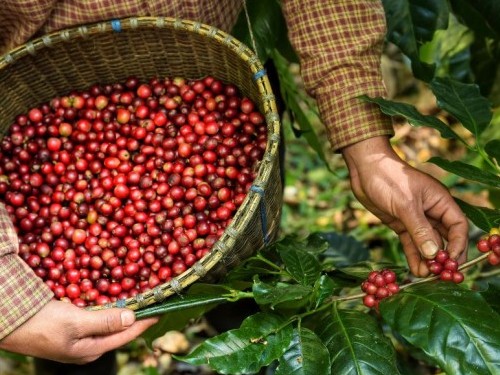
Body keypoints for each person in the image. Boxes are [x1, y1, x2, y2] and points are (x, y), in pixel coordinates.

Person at [0, 0, 468, 365]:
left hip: (221, 60)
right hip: (36, 73)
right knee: (71, 343)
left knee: (248, 282)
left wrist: (367, 144)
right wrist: (11, 300)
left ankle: (243, 341)